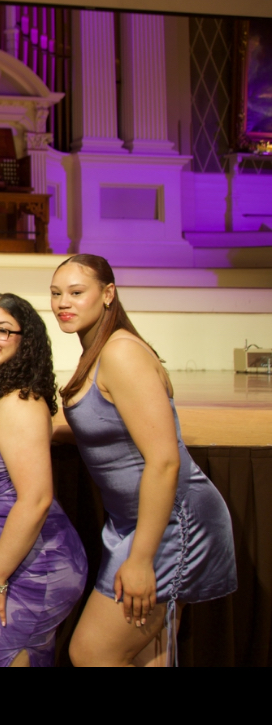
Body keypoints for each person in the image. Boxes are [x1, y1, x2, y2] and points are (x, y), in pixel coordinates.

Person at [51, 254, 237, 667]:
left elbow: (165, 461)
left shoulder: (121, 353)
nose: (64, 302)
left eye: (77, 292)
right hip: (134, 523)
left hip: (172, 522)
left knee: (92, 652)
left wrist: (141, 560)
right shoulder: (97, 351)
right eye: (56, 293)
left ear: (108, 294)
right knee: (149, 656)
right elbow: (99, 425)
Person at [0, 293, 88, 667]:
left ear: (26, 340)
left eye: (2, 330)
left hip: (29, 567)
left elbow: (36, 499)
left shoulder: (19, 402)